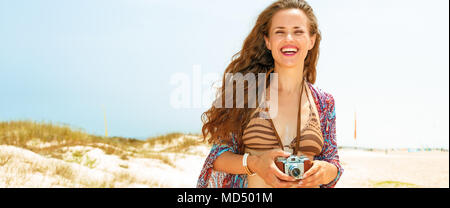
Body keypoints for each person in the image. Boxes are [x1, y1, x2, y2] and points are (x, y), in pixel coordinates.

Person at [197, 0, 343, 188]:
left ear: (311, 40)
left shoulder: (324, 102)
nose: (289, 38)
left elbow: (333, 160)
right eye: (280, 32)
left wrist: (328, 171)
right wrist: (255, 164)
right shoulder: (246, 91)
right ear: (267, 41)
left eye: (298, 32)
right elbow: (217, 156)